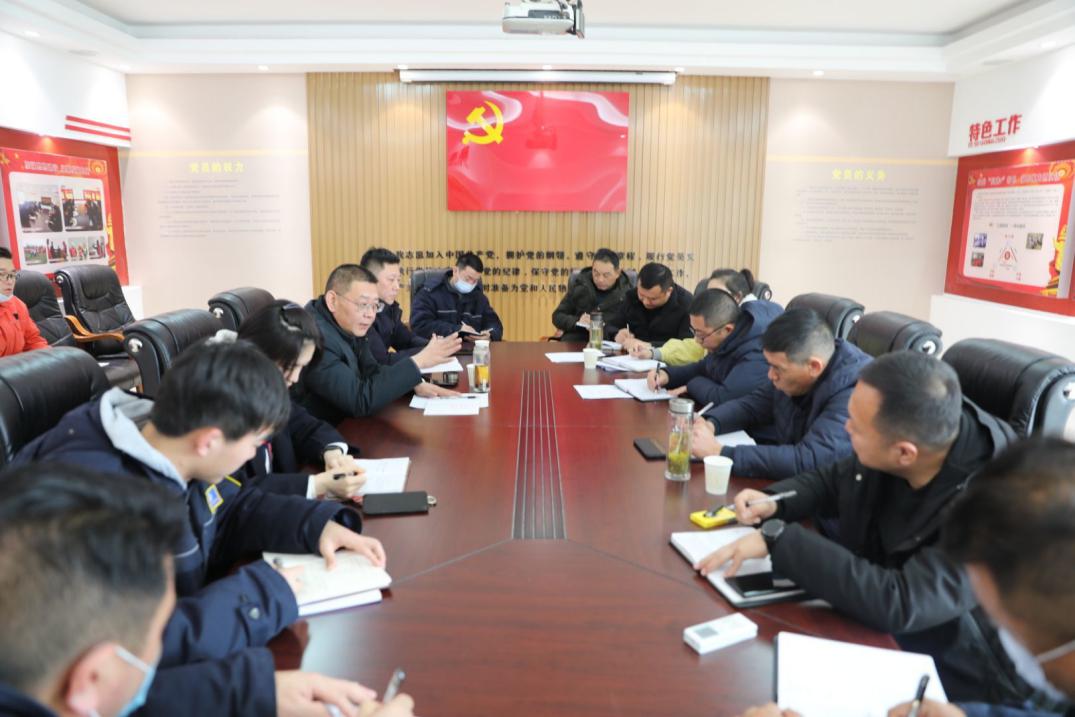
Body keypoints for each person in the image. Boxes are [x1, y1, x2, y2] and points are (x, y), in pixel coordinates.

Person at [13, 340, 388, 715]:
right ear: (209, 441)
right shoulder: (97, 511)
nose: (252, 455)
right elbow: (130, 656)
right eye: (255, 443)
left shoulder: (165, 439)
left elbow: (229, 508)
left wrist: (314, 525)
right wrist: (262, 596)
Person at [700, 352, 1039, 706]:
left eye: (857, 428)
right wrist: (776, 501)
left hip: (960, 682)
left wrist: (779, 540)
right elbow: (837, 478)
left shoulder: (996, 509)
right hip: (876, 629)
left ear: (905, 454)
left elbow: (901, 601)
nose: (846, 429)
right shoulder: (911, 430)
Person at [691, 308, 871, 479]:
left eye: (777, 368)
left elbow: (809, 459)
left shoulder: (853, 392)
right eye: (769, 365)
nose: (771, 375)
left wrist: (719, 452)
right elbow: (753, 406)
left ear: (814, 367)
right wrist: (711, 423)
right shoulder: (793, 370)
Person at [298, 264, 462, 424]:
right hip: (320, 433)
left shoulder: (349, 325)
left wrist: (412, 384)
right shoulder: (316, 339)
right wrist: (418, 361)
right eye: (363, 304)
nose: (370, 315)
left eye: (375, 306)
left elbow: (372, 370)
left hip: (348, 423)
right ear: (332, 300)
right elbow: (359, 401)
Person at [235, 300, 366, 499]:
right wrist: (317, 485)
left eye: (301, 367)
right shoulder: (223, 407)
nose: (295, 378)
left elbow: (305, 426)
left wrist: (332, 452)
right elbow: (234, 492)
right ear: (256, 355)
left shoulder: (268, 392)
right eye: (289, 367)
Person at [645, 288, 781, 406]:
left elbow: (723, 398)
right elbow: (704, 367)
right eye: (694, 332)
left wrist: (691, 385)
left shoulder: (757, 351)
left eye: (701, 335)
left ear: (727, 330)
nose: (697, 341)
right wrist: (667, 375)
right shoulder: (729, 337)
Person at [630, 267, 777, 366]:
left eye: (717, 293)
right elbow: (695, 349)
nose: (710, 299)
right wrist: (655, 352)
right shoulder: (726, 318)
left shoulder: (751, 326)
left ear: (737, 297)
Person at [361, 247, 439, 365]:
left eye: (398, 280)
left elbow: (407, 340)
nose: (397, 287)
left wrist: (433, 345)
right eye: (391, 280)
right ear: (369, 279)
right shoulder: (361, 315)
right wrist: (426, 353)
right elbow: (382, 361)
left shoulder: (388, 309)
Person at [410, 251, 504, 342]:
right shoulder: (429, 292)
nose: (471, 284)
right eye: (468, 278)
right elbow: (420, 325)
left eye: (475, 280)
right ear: (455, 271)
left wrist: (490, 335)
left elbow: (494, 324)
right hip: (438, 349)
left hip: (471, 349)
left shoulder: (479, 297)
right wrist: (457, 329)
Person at [603, 261, 692, 353]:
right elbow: (610, 325)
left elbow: (688, 346)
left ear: (669, 291)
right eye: (641, 295)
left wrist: (650, 345)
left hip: (665, 359)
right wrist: (616, 334)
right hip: (632, 357)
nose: (645, 302)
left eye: (653, 299)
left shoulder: (686, 304)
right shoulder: (632, 296)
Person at [550, 247, 633, 342]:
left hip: (609, 343)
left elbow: (633, 327)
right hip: (577, 341)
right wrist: (577, 321)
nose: (600, 279)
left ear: (617, 273)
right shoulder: (580, 285)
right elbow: (557, 316)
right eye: (596, 273)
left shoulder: (627, 294)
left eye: (606, 275)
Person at [0, 248, 48, 357]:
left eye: (12, 274)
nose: (10, 281)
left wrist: (50, 359)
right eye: (1, 274)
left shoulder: (17, 305)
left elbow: (34, 341)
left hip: (20, 365)